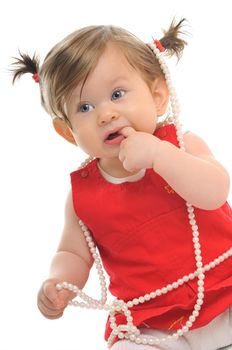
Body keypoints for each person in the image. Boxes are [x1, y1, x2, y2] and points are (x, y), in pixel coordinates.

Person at [12, 19, 232, 350]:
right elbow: (72, 252)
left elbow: (215, 192)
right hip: (152, 320)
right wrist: (60, 282)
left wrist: (159, 155)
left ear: (158, 97)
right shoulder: (82, 197)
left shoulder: (181, 145)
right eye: (84, 107)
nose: (105, 114)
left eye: (117, 94)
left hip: (224, 289)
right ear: (68, 132)